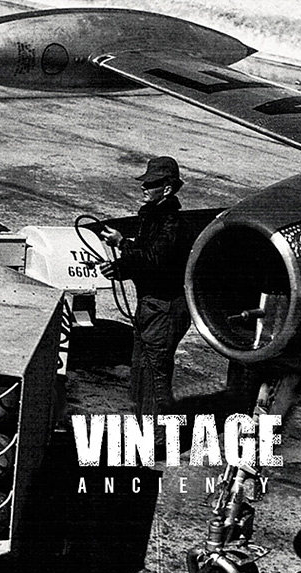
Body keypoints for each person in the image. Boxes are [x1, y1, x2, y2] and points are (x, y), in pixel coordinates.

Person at [100, 156, 191, 436]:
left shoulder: (171, 222)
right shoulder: (153, 216)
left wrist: (122, 250)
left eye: (151, 184)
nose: (144, 187)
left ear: (167, 188)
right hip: (152, 306)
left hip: (164, 308)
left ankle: (159, 439)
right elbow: (144, 256)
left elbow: (155, 260)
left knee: (154, 377)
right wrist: (120, 260)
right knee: (141, 374)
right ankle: (145, 433)